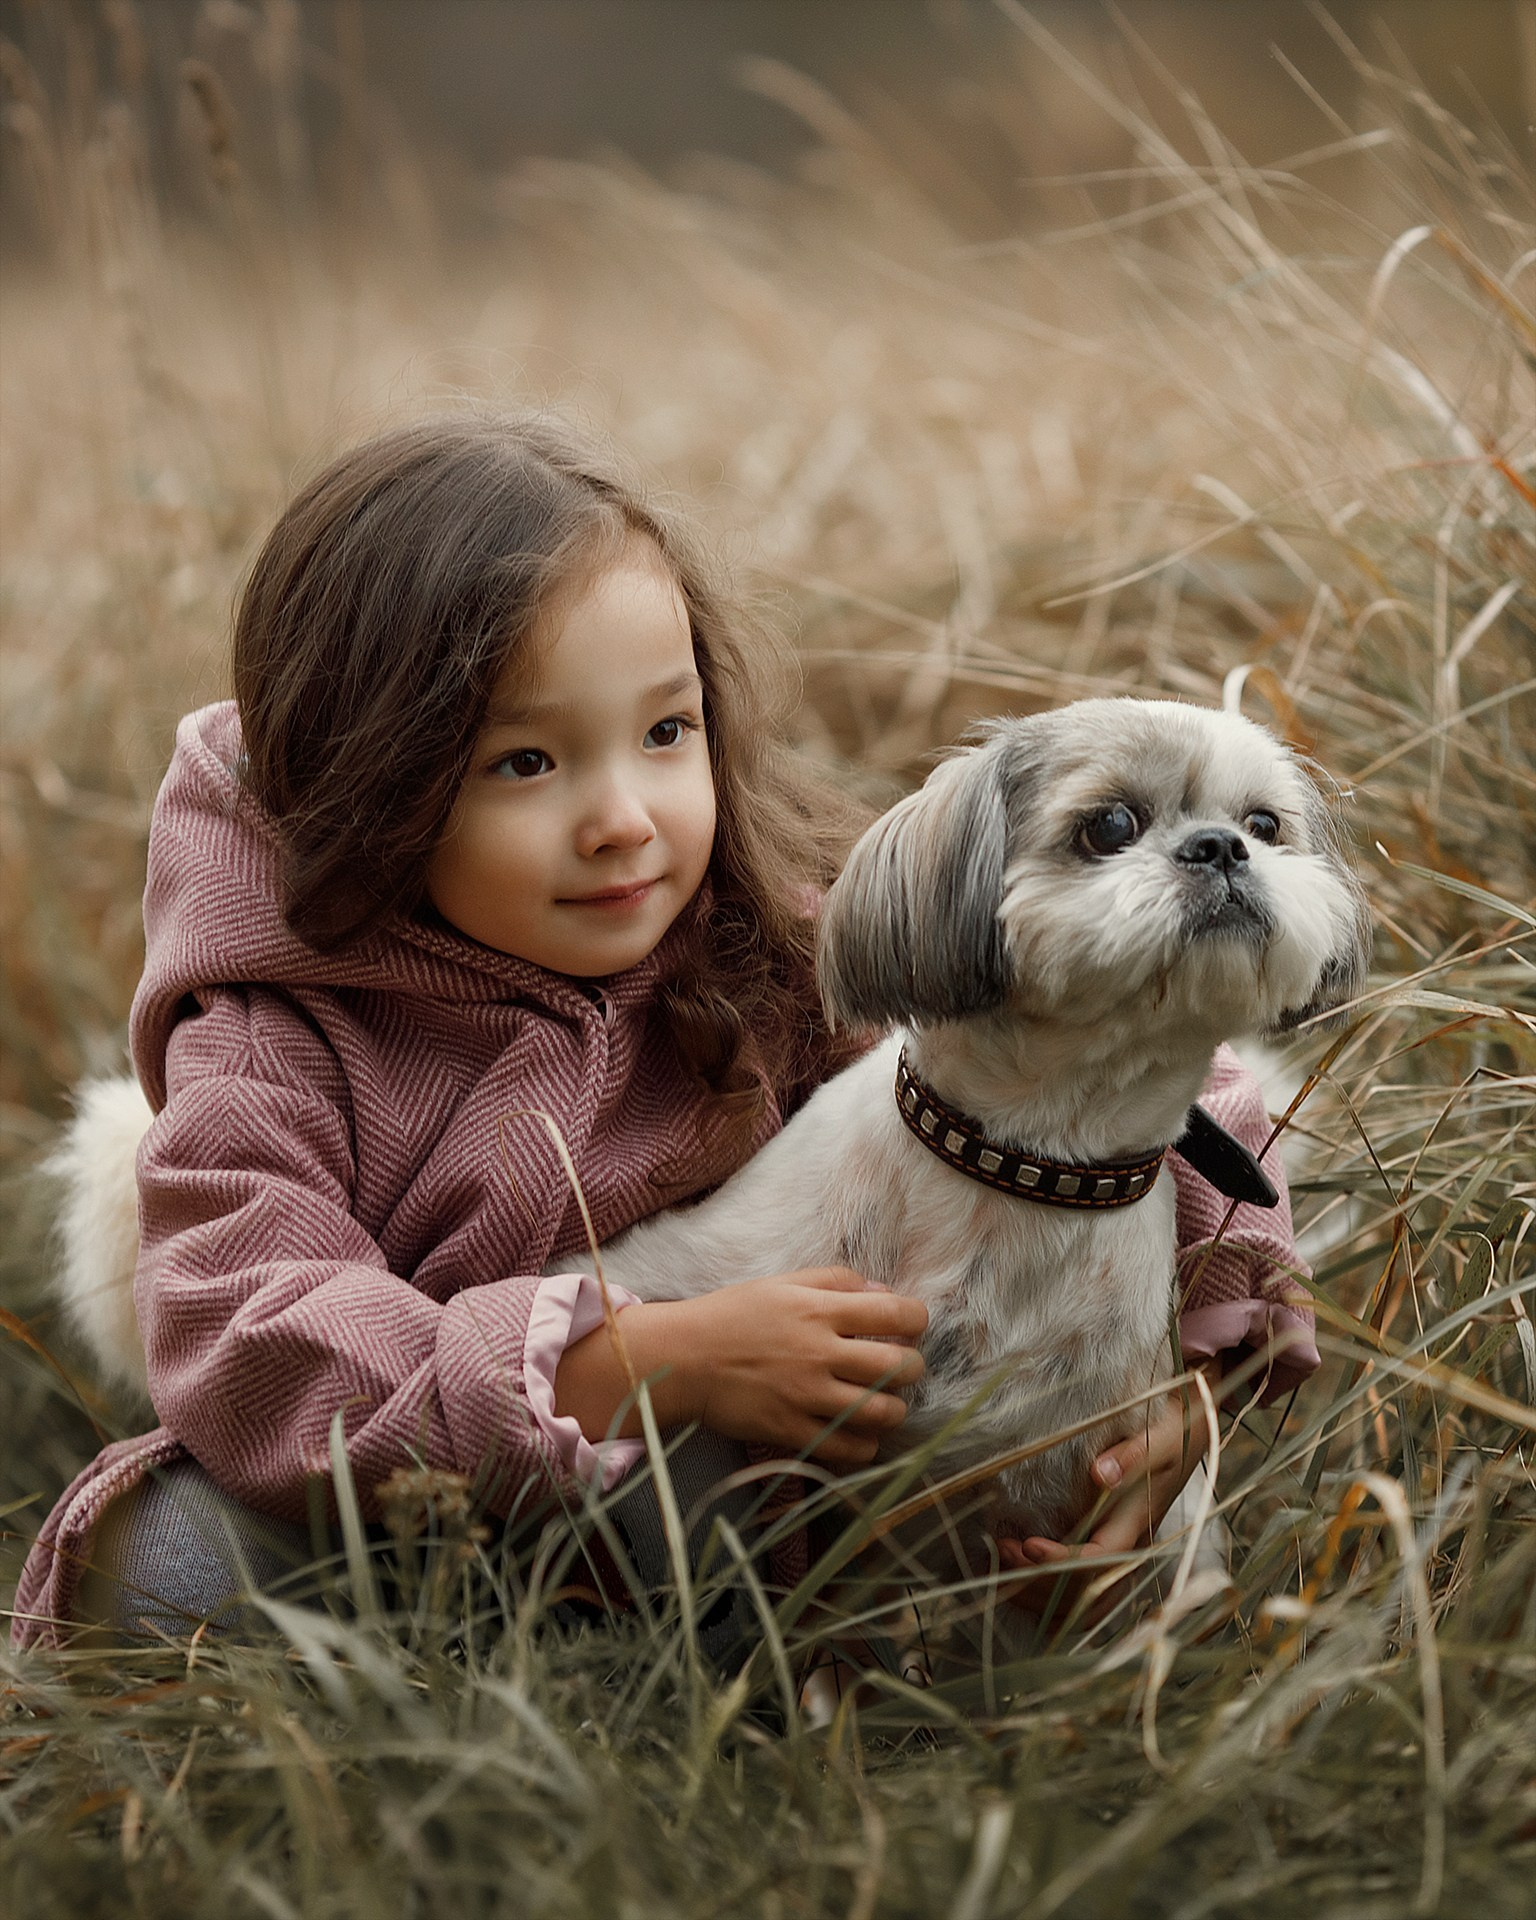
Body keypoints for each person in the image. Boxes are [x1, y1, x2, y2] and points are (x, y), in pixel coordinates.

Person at [10, 413, 1317, 1658]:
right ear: (369, 776)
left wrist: (1197, 1359)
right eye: (528, 762)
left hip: (760, 1512)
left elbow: (1133, 1066)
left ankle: (794, 1669)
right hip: (408, 1519)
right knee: (172, 1565)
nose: (625, 817)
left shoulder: (760, 936)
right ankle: (446, 1698)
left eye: (665, 731)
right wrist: (628, 1361)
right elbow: (253, 1342)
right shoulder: (272, 1043)